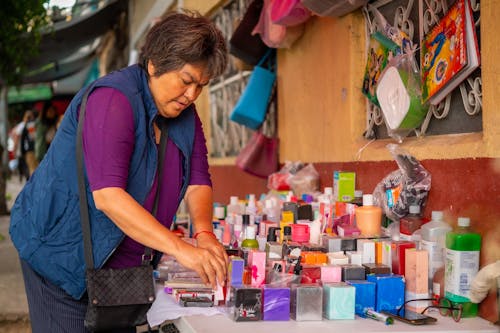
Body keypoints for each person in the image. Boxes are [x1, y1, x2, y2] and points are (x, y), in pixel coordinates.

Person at [10, 11, 229, 333]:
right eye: (186, 81)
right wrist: (182, 249)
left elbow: (198, 180)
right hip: (60, 256)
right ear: (154, 63)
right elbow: (109, 197)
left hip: (119, 275)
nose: (192, 95)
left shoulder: (186, 116)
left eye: (201, 85)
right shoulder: (113, 100)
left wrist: (204, 234)